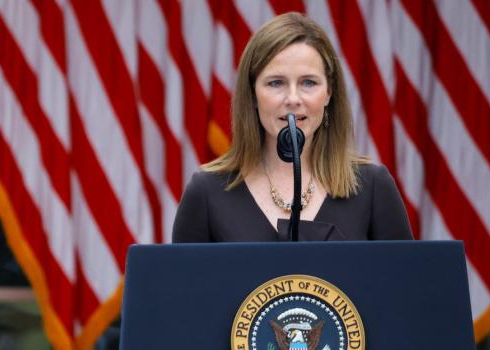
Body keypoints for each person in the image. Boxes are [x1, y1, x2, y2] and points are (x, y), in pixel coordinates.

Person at [173, 12, 413, 242]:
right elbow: (182, 283)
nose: (293, 98)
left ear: (329, 92)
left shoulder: (372, 187)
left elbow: (403, 282)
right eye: (276, 83)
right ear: (253, 95)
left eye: (308, 82)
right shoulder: (206, 192)